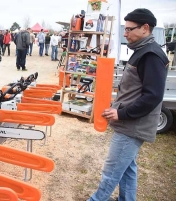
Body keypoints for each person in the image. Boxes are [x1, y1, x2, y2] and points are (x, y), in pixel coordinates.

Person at [87, 8, 169, 201]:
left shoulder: (151, 55)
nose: (125, 33)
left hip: (132, 125)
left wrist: (122, 114)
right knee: (127, 169)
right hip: (130, 123)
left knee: (112, 170)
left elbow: (153, 96)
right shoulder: (142, 51)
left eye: (130, 29)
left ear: (145, 28)